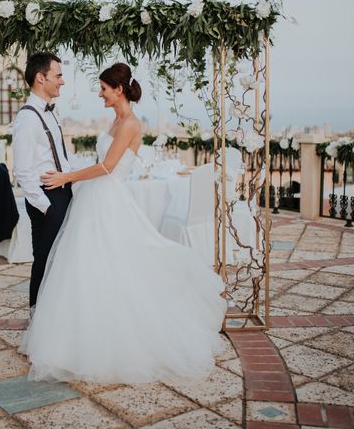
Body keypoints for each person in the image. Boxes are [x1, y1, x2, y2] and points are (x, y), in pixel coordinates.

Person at [19, 62, 227, 384]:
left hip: (108, 200)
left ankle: (114, 336)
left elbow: (107, 166)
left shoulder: (130, 122)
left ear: (119, 90)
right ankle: (82, 329)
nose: (99, 94)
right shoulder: (115, 120)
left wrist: (67, 177)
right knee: (84, 268)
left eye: (103, 89)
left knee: (115, 265)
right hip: (94, 198)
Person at [12, 52, 72, 312]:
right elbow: (23, 172)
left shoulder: (49, 113)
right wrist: (46, 206)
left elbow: (57, 158)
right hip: (47, 198)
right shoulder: (27, 119)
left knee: (61, 260)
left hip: (63, 192)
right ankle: (38, 315)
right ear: (40, 77)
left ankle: (57, 314)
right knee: (45, 260)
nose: (62, 81)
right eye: (58, 76)